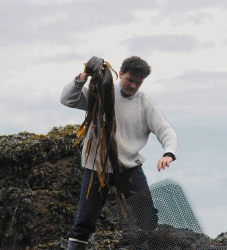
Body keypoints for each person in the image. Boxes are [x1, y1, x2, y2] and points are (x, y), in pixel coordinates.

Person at [60, 56, 177, 250]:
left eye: (138, 83)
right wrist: (85, 74)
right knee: (84, 220)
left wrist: (168, 153)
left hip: (129, 168)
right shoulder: (101, 93)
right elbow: (67, 99)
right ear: (120, 74)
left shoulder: (144, 104)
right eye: (129, 80)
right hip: (96, 166)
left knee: (147, 217)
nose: (132, 86)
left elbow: (165, 130)